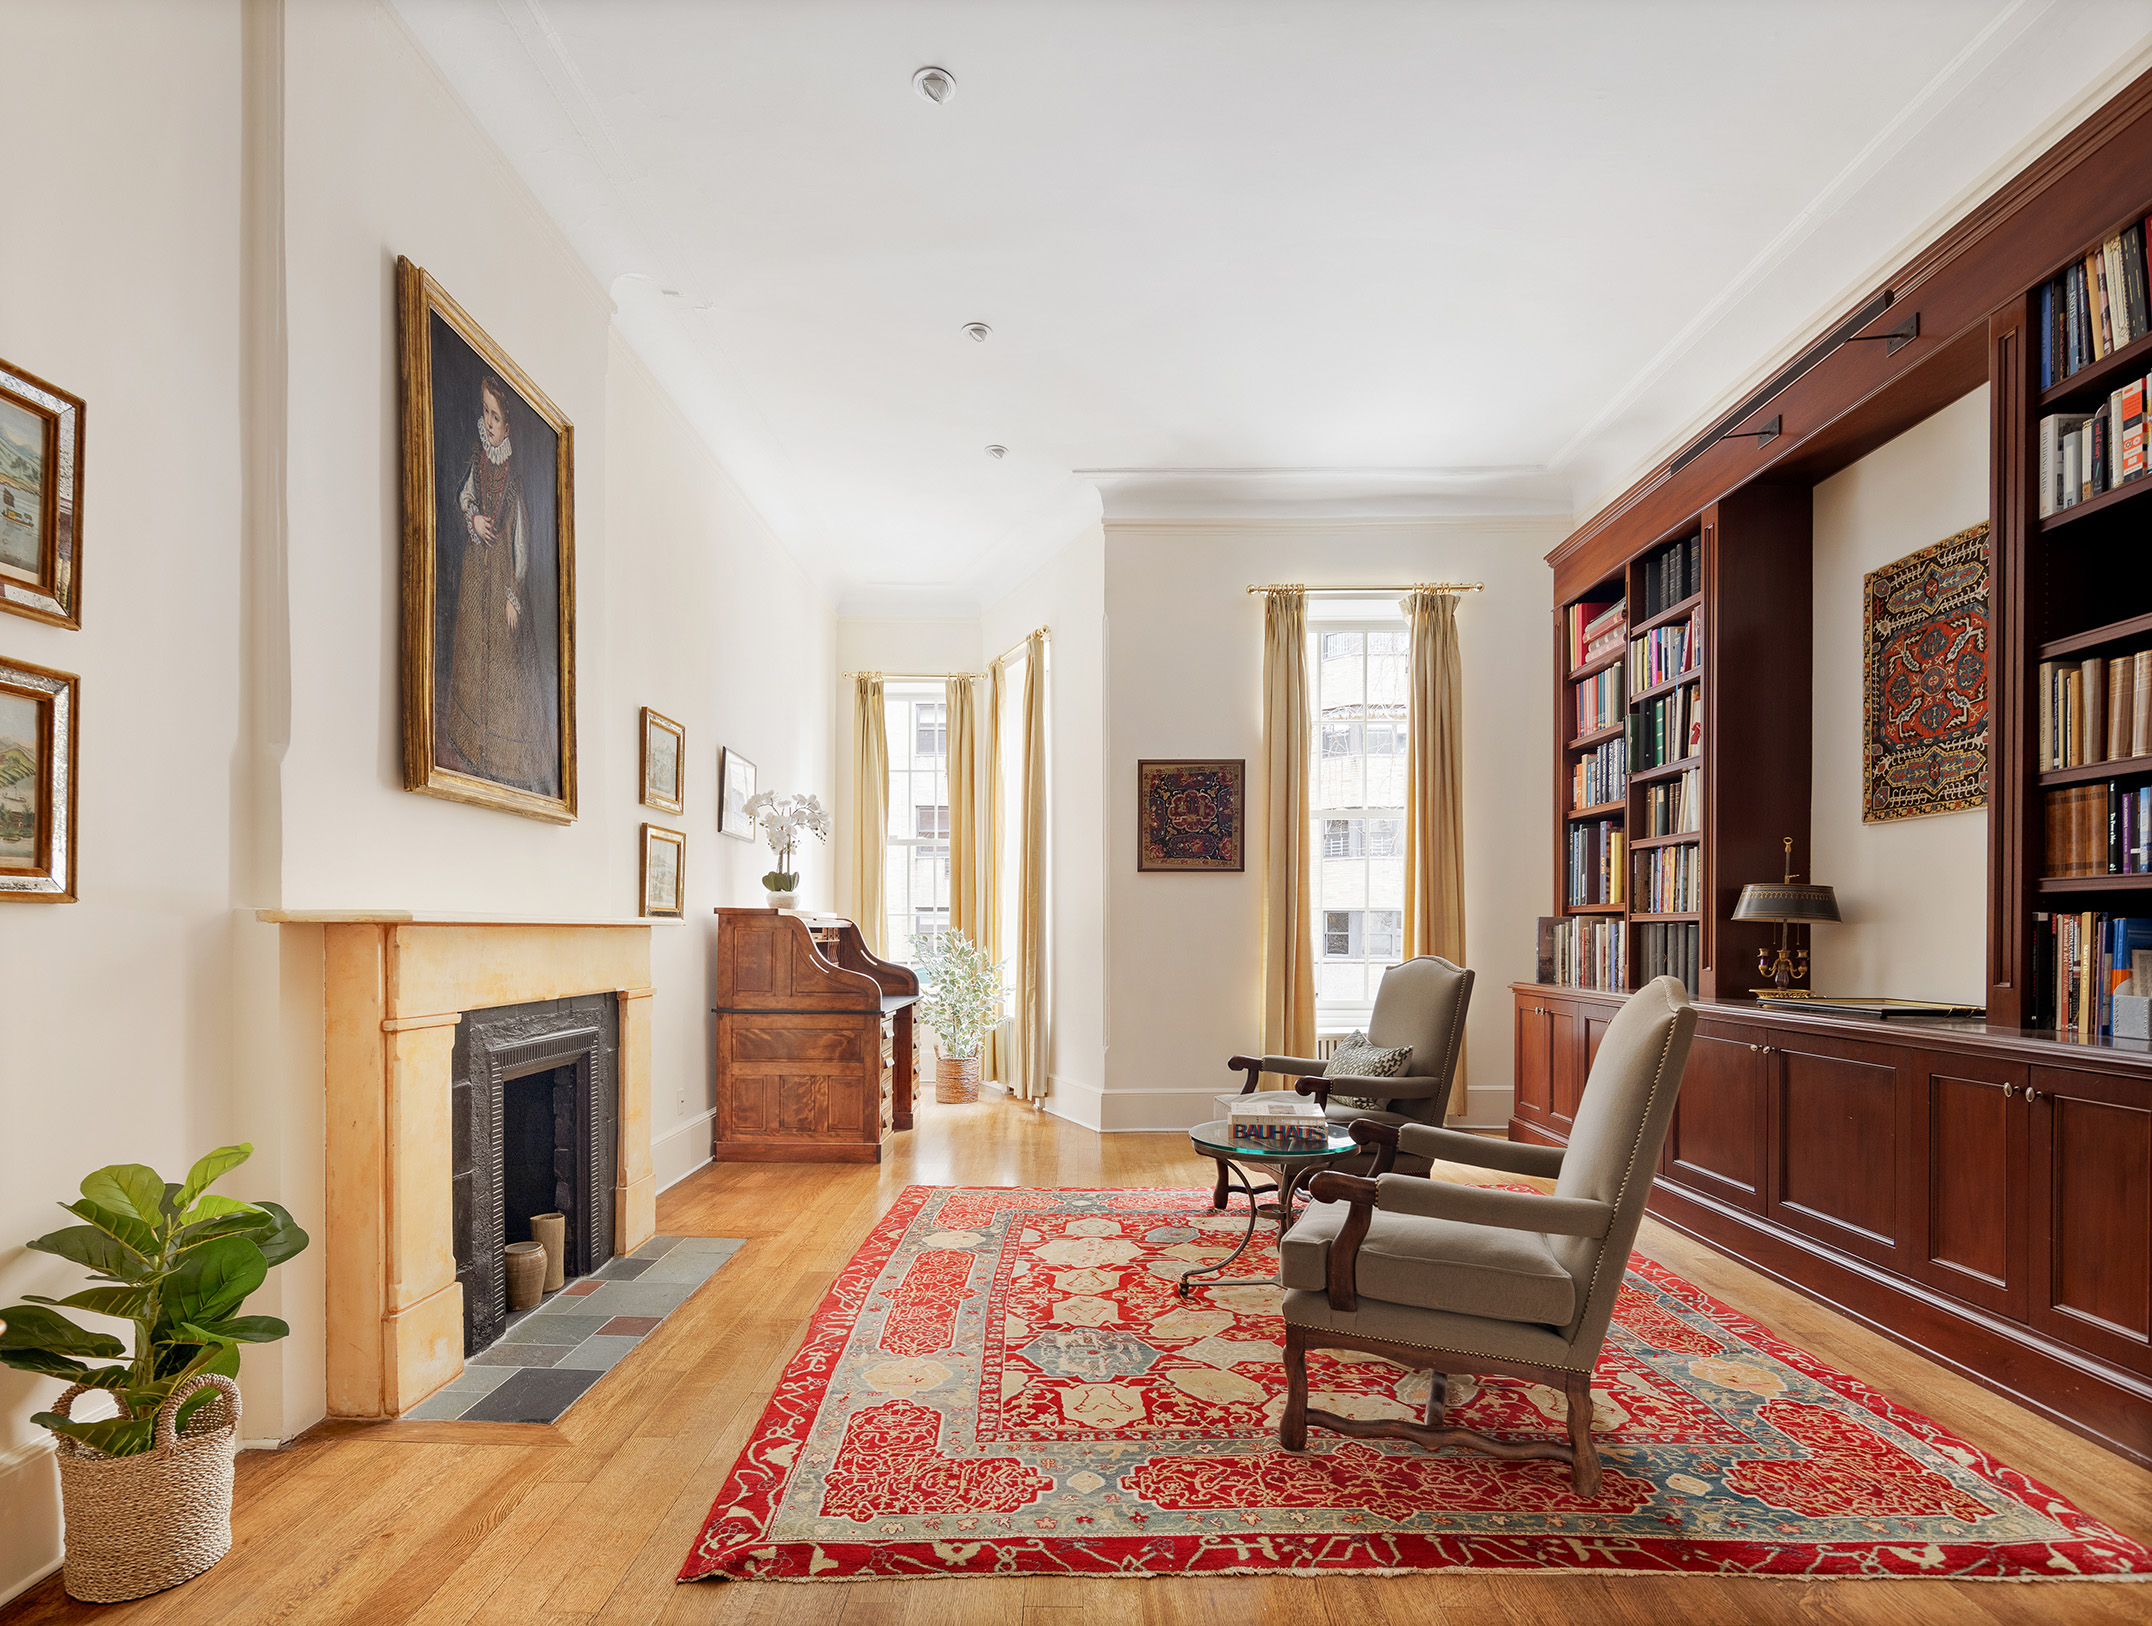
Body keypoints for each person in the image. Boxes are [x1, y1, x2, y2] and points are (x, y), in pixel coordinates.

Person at [441, 372, 552, 792]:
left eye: (496, 416)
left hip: (502, 576)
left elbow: (522, 543)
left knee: (505, 663)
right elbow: (464, 496)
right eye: (485, 412)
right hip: (475, 573)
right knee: (473, 652)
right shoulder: (477, 461)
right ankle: (471, 742)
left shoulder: (516, 483)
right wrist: (474, 517)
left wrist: (514, 594)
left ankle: (505, 754)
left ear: (509, 427)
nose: (488, 422)